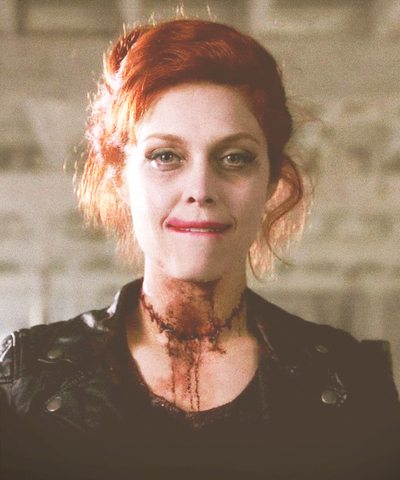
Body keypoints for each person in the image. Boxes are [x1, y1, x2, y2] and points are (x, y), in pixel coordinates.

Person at [1, 18, 399, 480]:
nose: (201, 189)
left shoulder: (351, 383)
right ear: (119, 177)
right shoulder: (27, 382)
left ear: (271, 180)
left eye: (234, 158)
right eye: (165, 156)